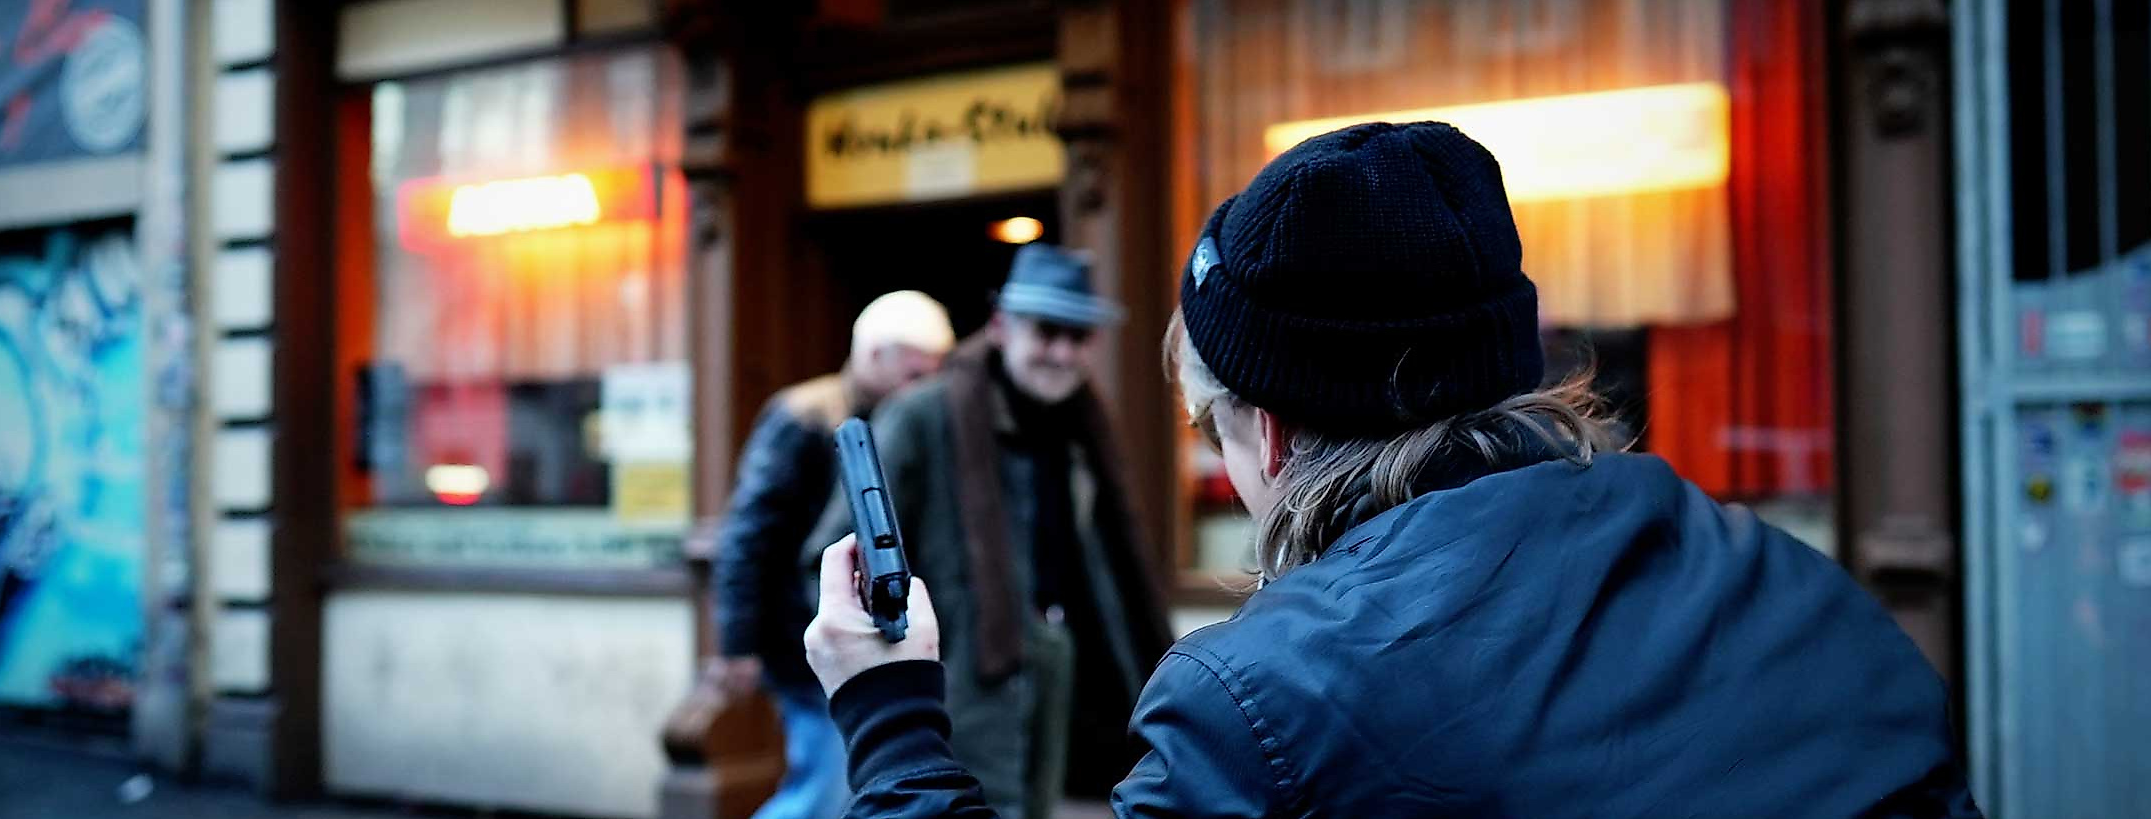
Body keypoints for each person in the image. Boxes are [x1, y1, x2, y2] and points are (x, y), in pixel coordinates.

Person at [805, 123, 1986, 818]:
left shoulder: (1261, 704)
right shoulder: (1803, 594)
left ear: (1265, 434)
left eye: (1210, 425)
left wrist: (893, 716)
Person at [824, 243, 1173, 819]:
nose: (1062, 352)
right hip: (955, 667)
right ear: (1001, 326)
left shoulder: (1085, 423)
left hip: (1057, 656)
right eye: (1047, 331)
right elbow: (840, 551)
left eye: (1078, 335)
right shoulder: (924, 414)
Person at [711, 289, 955, 819]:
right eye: (915, 373)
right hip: (806, 639)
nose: (926, 386)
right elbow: (748, 533)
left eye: (934, 373)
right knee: (823, 788)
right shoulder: (805, 416)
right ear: (873, 356)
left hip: (870, 639)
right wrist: (737, 643)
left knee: (842, 785)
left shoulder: (905, 422)